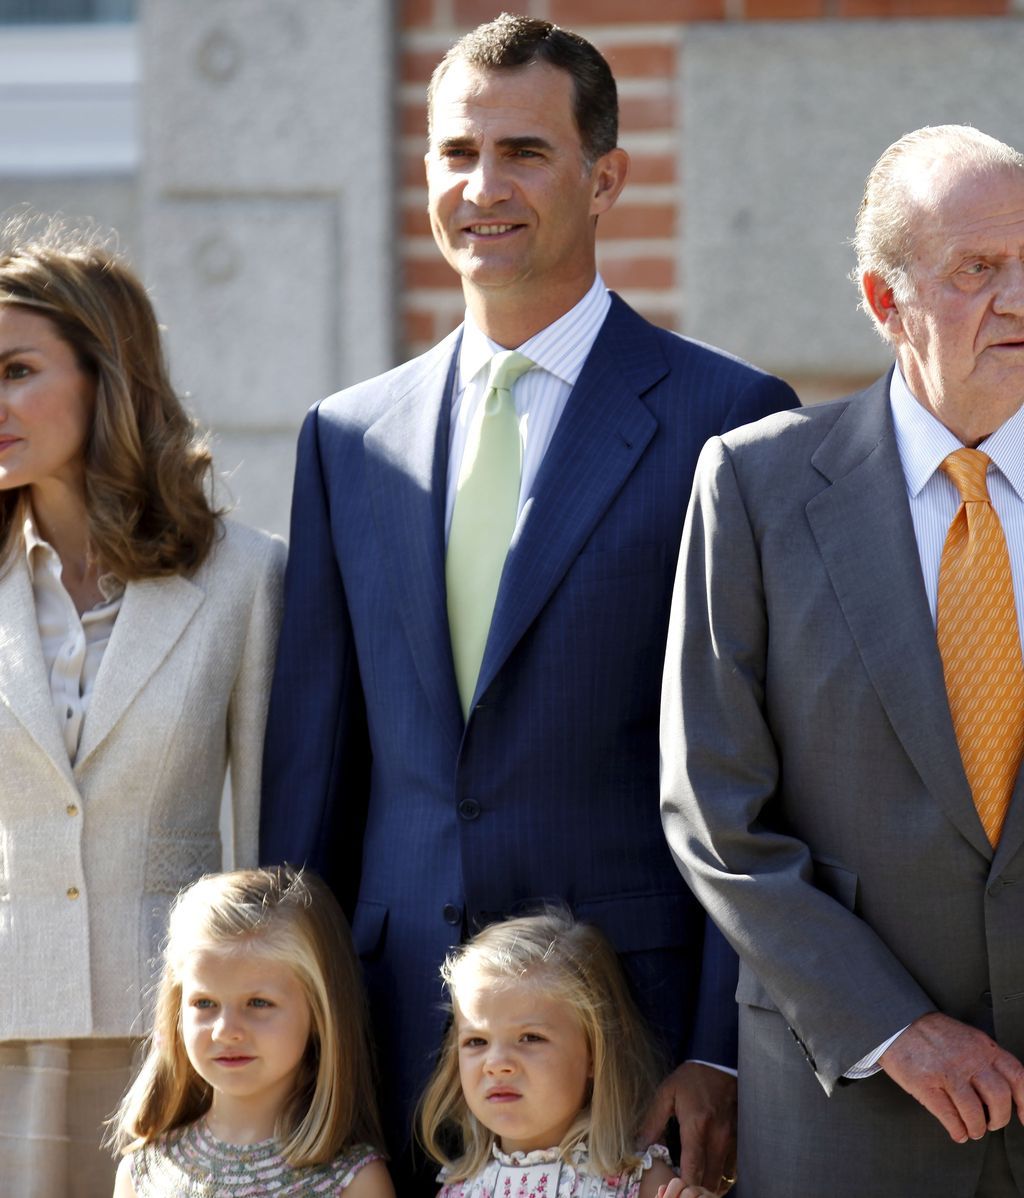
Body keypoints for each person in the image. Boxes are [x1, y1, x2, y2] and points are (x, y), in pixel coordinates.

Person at [260, 14, 796, 1193]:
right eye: (457, 153)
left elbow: (758, 768)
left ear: (605, 177)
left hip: (632, 1030)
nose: (482, 187)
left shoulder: (731, 415)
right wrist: (294, 1040)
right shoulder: (347, 438)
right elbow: (314, 774)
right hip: (400, 1031)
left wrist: (719, 1047)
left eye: (524, 152)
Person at [660, 123, 1024, 1197]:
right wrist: (892, 1026)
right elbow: (715, 811)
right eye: (976, 271)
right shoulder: (755, 488)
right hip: (855, 1112)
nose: (1016, 299)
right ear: (881, 301)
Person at [0, 218, 285, 1198]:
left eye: (15, 369)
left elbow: (266, 841)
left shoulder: (245, 578)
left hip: (187, 1041)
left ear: (106, 372)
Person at [110, 865, 395, 1198]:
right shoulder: (144, 1170)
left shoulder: (354, 1181)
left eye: (258, 1003)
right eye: (204, 1003)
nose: (226, 1031)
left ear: (319, 1012)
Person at [417, 909, 722, 1198]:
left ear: (593, 1051)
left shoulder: (639, 1180)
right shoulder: (457, 1190)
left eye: (530, 1037)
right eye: (476, 1042)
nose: (496, 1064)